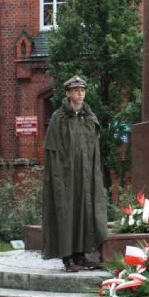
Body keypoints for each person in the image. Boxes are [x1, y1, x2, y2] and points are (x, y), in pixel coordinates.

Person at [42, 75, 108, 272]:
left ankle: (82, 254)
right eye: (76, 90)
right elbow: (53, 151)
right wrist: (58, 178)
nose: (80, 94)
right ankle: (67, 257)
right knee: (67, 213)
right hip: (66, 176)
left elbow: (94, 150)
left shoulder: (90, 119)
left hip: (87, 175)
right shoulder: (58, 119)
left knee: (86, 211)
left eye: (83, 90)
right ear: (68, 93)